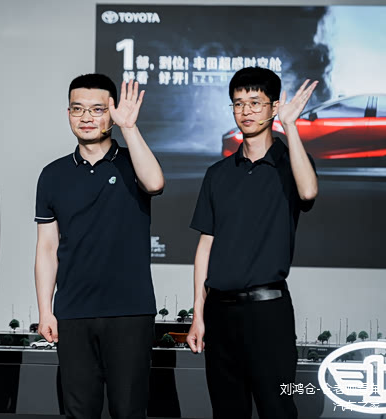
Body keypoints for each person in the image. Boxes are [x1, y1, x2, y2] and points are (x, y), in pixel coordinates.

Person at [186, 67, 318, 419]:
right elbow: (205, 246)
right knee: (227, 410)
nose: (245, 111)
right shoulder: (218, 174)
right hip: (219, 313)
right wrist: (198, 314)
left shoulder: (290, 165)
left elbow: (308, 192)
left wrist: (291, 126)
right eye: (238, 103)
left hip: (268, 312)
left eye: (256, 103)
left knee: (278, 406)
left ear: (274, 107)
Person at [34, 74, 164, 418]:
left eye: (97, 109)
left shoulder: (132, 161)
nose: (86, 117)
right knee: (78, 412)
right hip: (73, 312)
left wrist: (130, 128)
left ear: (112, 113)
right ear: (68, 113)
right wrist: (46, 310)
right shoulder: (53, 175)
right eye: (78, 109)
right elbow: (46, 248)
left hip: (129, 312)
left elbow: (155, 183)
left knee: (129, 410)